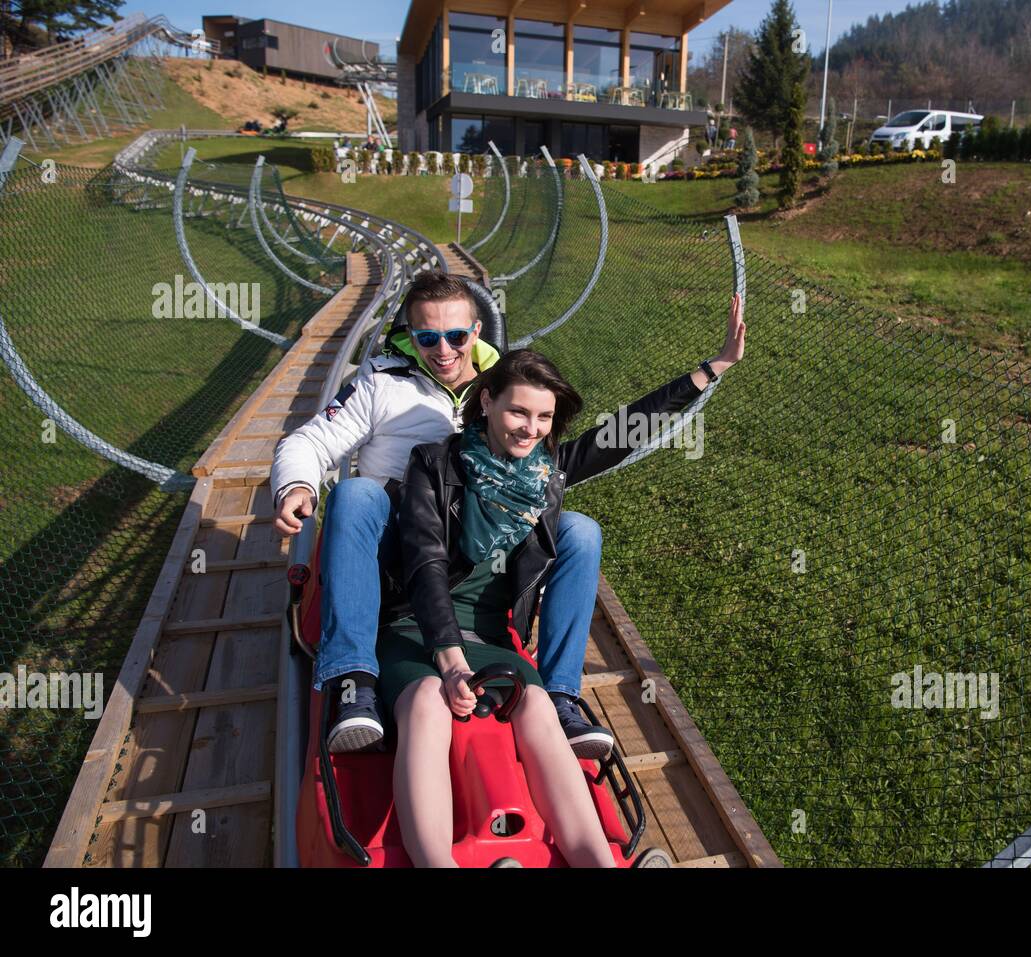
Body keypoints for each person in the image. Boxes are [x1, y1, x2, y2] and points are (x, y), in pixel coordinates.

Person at [383, 295, 746, 867]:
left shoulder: (545, 475)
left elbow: (622, 431)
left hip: (494, 640)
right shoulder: (436, 464)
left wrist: (712, 368)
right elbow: (426, 562)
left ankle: (595, 861)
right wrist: (450, 661)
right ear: (487, 403)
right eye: (518, 412)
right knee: (429, 700)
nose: (531, 428)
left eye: (544, 417)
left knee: (536, 707)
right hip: (418, 630)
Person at [271, 272, 614, 758]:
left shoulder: (506, 387)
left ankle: (562, 694)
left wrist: (706, 373)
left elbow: (589, 449)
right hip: (402, 545)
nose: (444, 350)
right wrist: (298, 485)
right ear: (410, 337)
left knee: (579, 529)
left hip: (480, 546)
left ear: (476, 332)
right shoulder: (381, 384)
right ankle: (352, 676)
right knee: (356, 496)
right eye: (428, 338)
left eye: (456, 336)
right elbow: (310, 440)